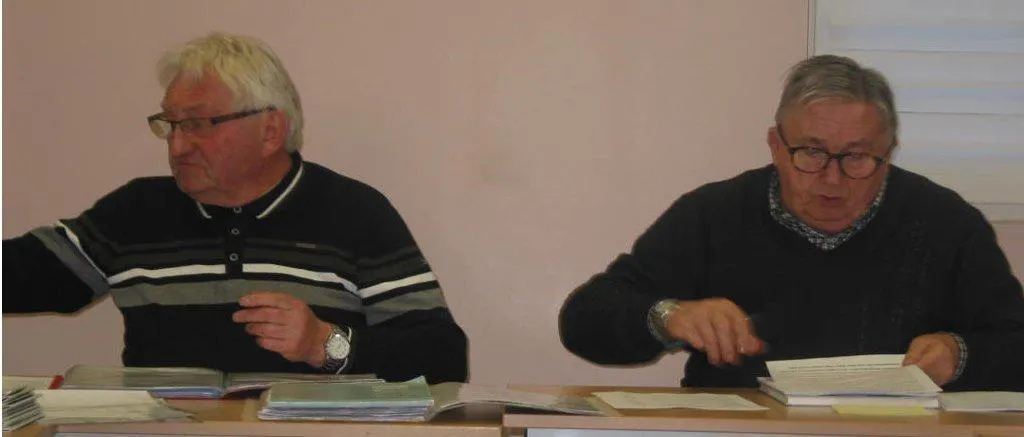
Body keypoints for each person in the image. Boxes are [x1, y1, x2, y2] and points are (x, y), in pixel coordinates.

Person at [3, 32, 468, 384]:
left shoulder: (355, 213)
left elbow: (442, 357)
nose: (177, 145)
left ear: (270, 131)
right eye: (170, 124)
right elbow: (22, 276)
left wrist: (322, 343)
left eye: (199, 124)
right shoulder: (136, 212)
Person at [559, 54, 1024, 390]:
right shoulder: (713, 215)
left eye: (857, 157)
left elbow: (1014, 344)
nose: (832, 179)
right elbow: (584, 320)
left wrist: (960, 356)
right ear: (775, 146)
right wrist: (669, 316)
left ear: (888, 152)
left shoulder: (945, 224)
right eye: (811, 152)